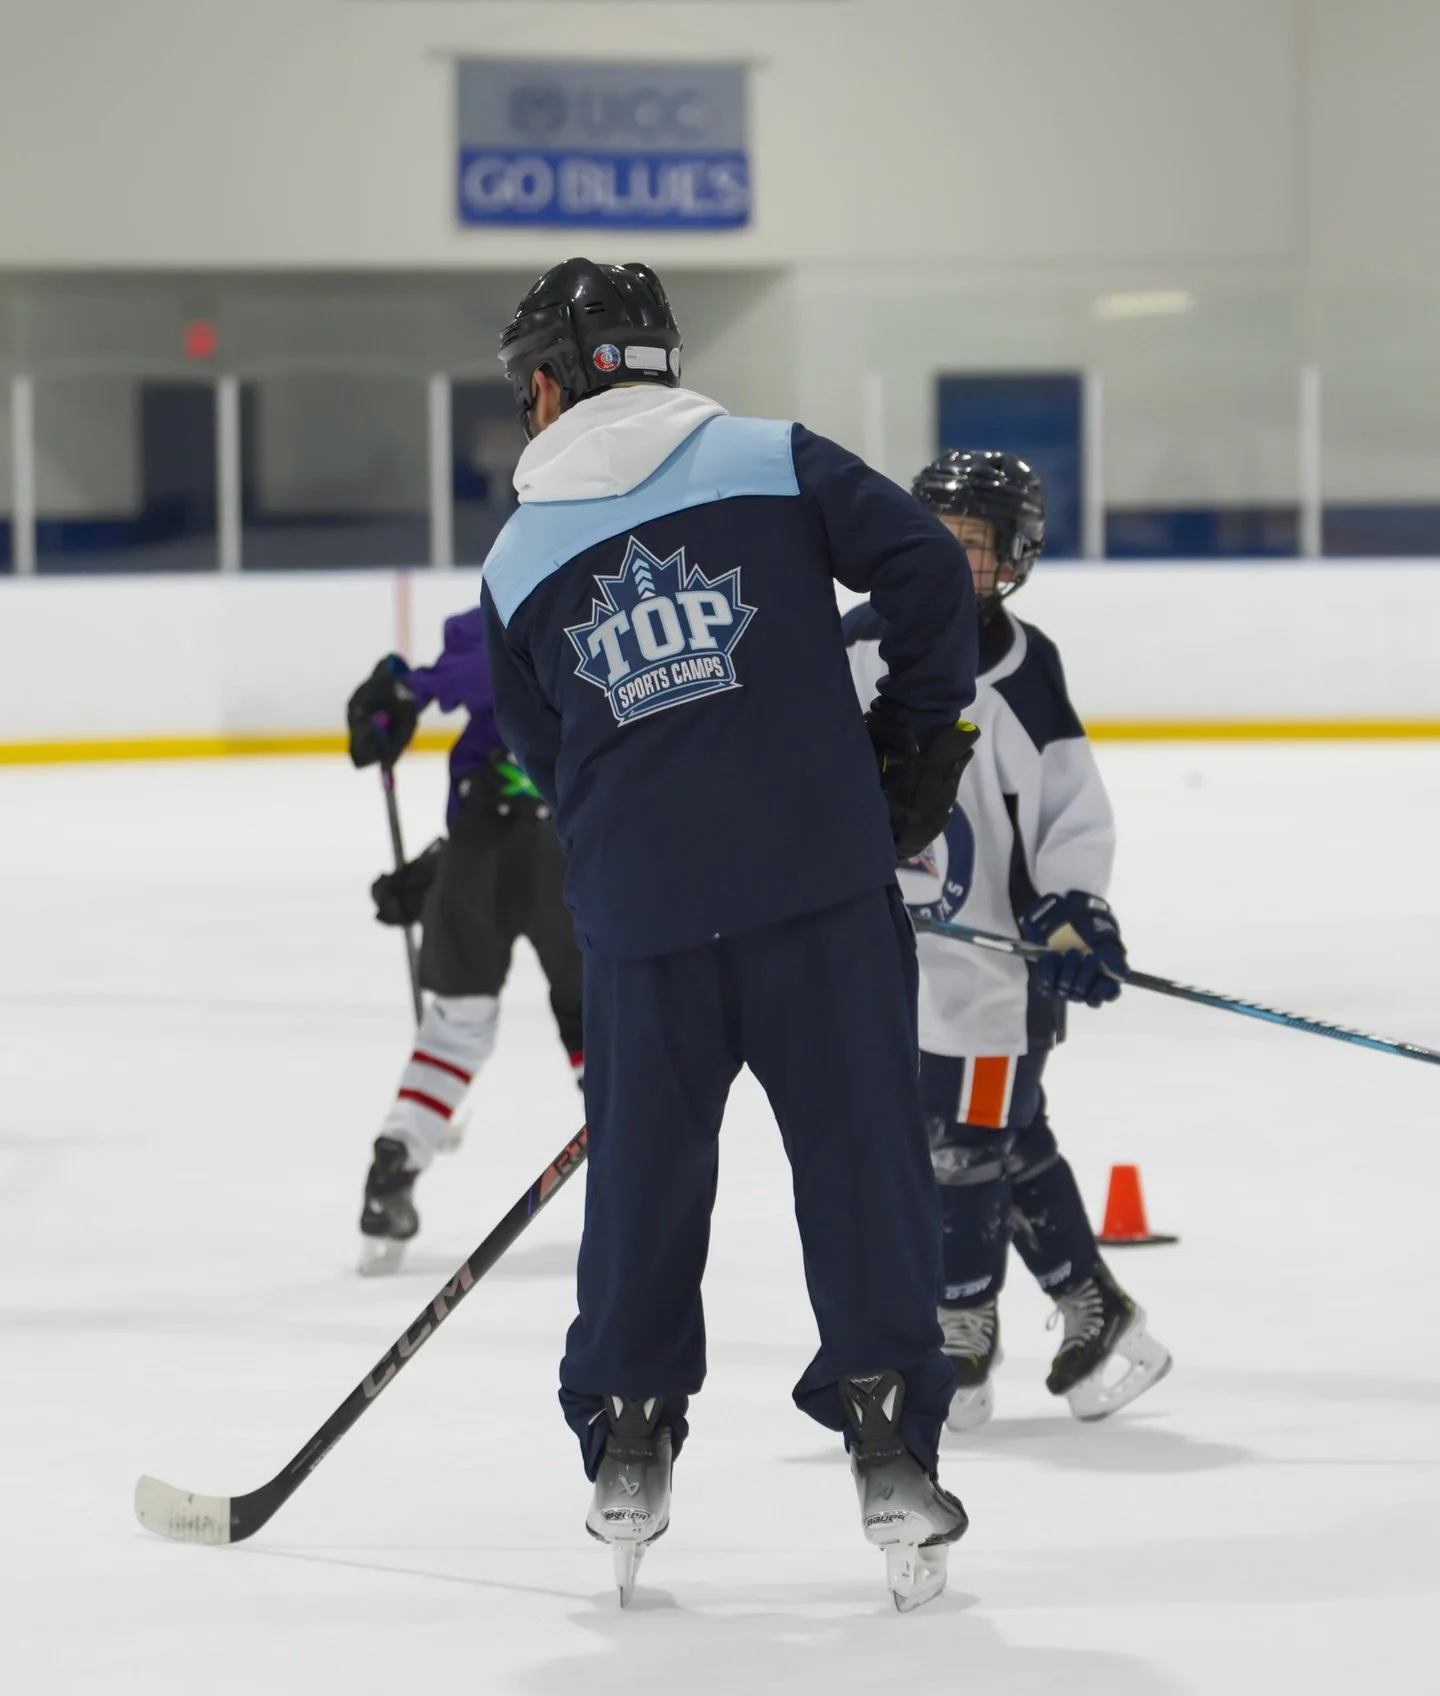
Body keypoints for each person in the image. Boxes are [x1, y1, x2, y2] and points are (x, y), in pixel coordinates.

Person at [479, 257, 980, 1610]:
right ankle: (888, 1437)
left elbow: (548, 756)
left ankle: (629, 1429)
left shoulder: (516, 559)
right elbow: (930, 572)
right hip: (819, 891)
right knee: (863, 1165)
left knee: (646, 1179)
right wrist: (917, 743)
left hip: (644, 927)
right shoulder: (771, 456)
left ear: (546, 382)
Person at [845, 451, 1171, 1429]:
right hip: (888, 960)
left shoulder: (1026, 676)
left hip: (994, 976)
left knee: (962, 1146)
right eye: (935, 538)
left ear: (1017, 556)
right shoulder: (855, 646)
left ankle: (960, 1332)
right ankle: (1097, 1310)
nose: (951, 562)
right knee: (997, 1135)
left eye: (974, 546)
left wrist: (1075, 910)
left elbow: (1073, 817)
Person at [345, 609, 584, 1276]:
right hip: (566, 840)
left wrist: (407, 688)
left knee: (454, 1027)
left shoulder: (497, 609)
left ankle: (396, 1158)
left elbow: (474, 670)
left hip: (480, 843)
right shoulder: (584, 601)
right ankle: (632, 1166)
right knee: (597, 1014)